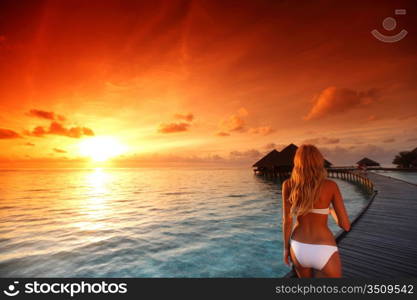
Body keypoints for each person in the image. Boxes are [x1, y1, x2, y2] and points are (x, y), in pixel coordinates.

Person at [282, 144, 351, 277]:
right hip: (324, 247)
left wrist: (286, 249)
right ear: (319, 161)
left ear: (297, 162)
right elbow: (345, 226)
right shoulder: (331, 186)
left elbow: (287, 221)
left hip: (298, 247)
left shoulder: (288, 185)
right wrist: (330, 211)